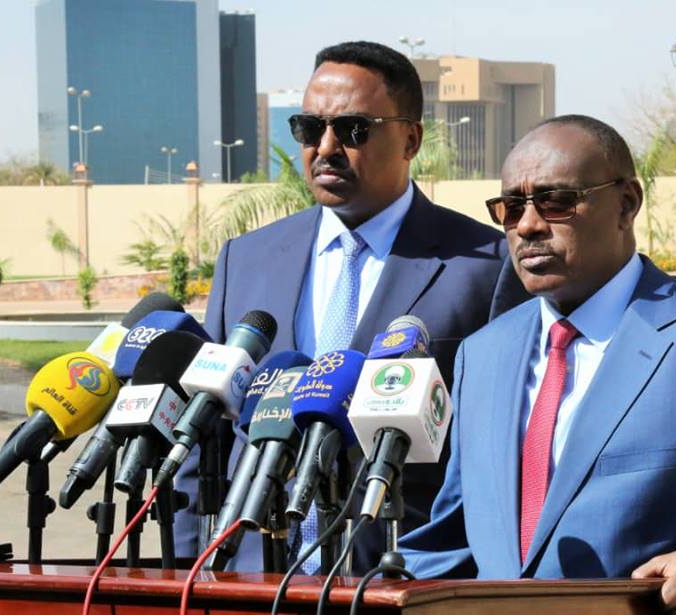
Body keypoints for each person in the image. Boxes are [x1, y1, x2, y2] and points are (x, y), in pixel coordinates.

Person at [399, 115, 676, 614]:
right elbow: (452, 542)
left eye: (556, 201)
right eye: (511, 208)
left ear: (626, 203)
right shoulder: (484, 353)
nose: (528, 225)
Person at [175, 41, 527, 573]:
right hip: (251, 577)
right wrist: (183, 569)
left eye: (353, 129)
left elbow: (504, 448)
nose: (326, 147)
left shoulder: (486, 265)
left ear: (411, 140)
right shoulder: (245, 261)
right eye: (309, 128)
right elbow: (207, 437)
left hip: (402, 574)